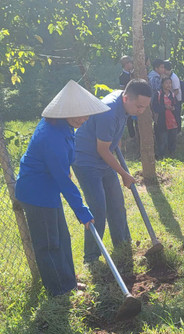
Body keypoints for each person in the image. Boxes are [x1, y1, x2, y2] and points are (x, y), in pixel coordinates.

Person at [16, 81, 108, 297]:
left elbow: (63, 169)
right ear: (64, 111)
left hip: (49, 189)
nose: (83, 119)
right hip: (36, 193)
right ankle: (59, 292)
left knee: (62, 239)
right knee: (49, 244)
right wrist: (81, 210)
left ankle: (68, 282)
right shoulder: (51, 135)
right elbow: (63, 179)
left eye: (86, 115)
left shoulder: (64, 127)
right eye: (78, 114)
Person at [73, 79, 152, 264]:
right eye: (139, 106)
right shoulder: (108, 111)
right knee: (98, 209)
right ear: (126, 98)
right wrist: (124, 174)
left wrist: (116, 141)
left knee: (116, 205)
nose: (141, 111)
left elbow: (109, 141)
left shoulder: (124, 104)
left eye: (144, 107)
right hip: (86, 161)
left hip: (104, 158)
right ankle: (91, 258)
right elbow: (102, 150)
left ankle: (123, 247)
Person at [152, 77, 179, 158]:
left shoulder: (173, 95)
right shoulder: (158, 94)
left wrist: (173, 108)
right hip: (162, 121)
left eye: (170, 83)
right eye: (166, 83)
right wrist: (164, 107)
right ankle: (161, 155)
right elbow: (155, 107)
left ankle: (172, 154)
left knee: (172, 139)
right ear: (162, 84)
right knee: (162, 139)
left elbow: (177, 107)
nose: (169, 85)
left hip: (173, 121)